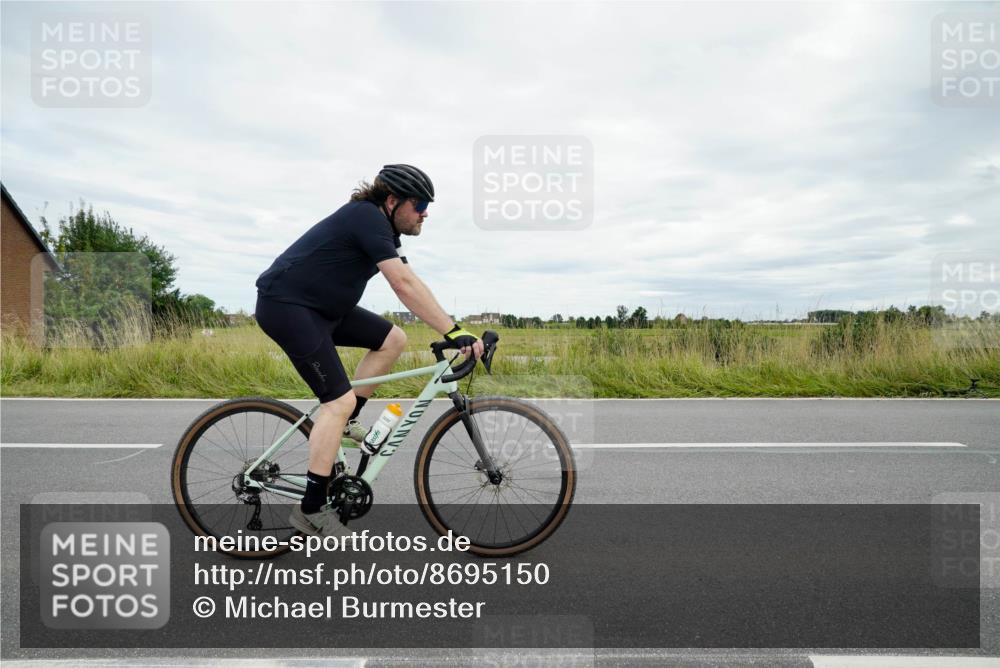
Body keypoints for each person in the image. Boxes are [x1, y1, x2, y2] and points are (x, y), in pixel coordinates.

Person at [254, 164, 485, 536]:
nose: (425, 212)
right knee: (337, 401)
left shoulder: (381, 229)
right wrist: (454, 330)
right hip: (286, 306)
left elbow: (411, 281)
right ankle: (311, 509)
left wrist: (452, 326)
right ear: (392, 202)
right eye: (420, 203)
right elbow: (403, 285)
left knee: (393, 339)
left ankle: (346, 423)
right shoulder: (366, 218)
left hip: (322, 309)